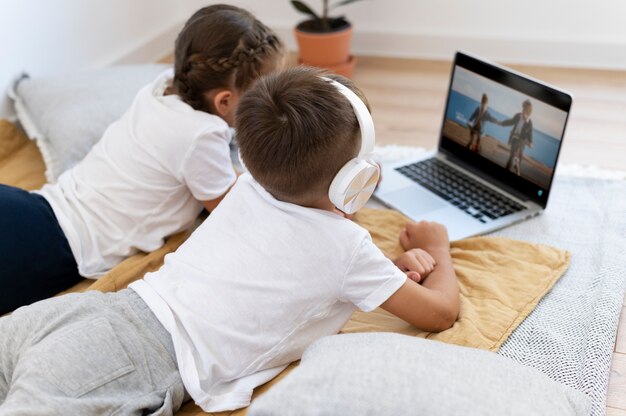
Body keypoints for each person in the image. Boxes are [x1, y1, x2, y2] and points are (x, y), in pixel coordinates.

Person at [0, 67, 460, 414]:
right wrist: (437, 247)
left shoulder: (245, 187)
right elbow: (439, 314)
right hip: (135, 359)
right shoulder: (351, 250)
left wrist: (386, 271)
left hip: (94, 312)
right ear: (356, 181)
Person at [0, 4, 284, 314]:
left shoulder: (161, 87)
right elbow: (234, 210)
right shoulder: (201, 136)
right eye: (261, 99)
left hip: (38, 208)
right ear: (224, 101)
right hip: (62, 245)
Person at [501, 99, 534, 175]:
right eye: (522, 108)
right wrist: (503, 123)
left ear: (528, 111)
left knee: (519, 156)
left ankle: (517, 166)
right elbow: (511, 121)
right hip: (514, 138)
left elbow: (530, 133)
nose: (522, 110)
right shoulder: (518, 116)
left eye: (524, 109)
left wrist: (531, 142)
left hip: (522, 141)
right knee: (512, 155)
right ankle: (511, 166)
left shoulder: (529, 122)